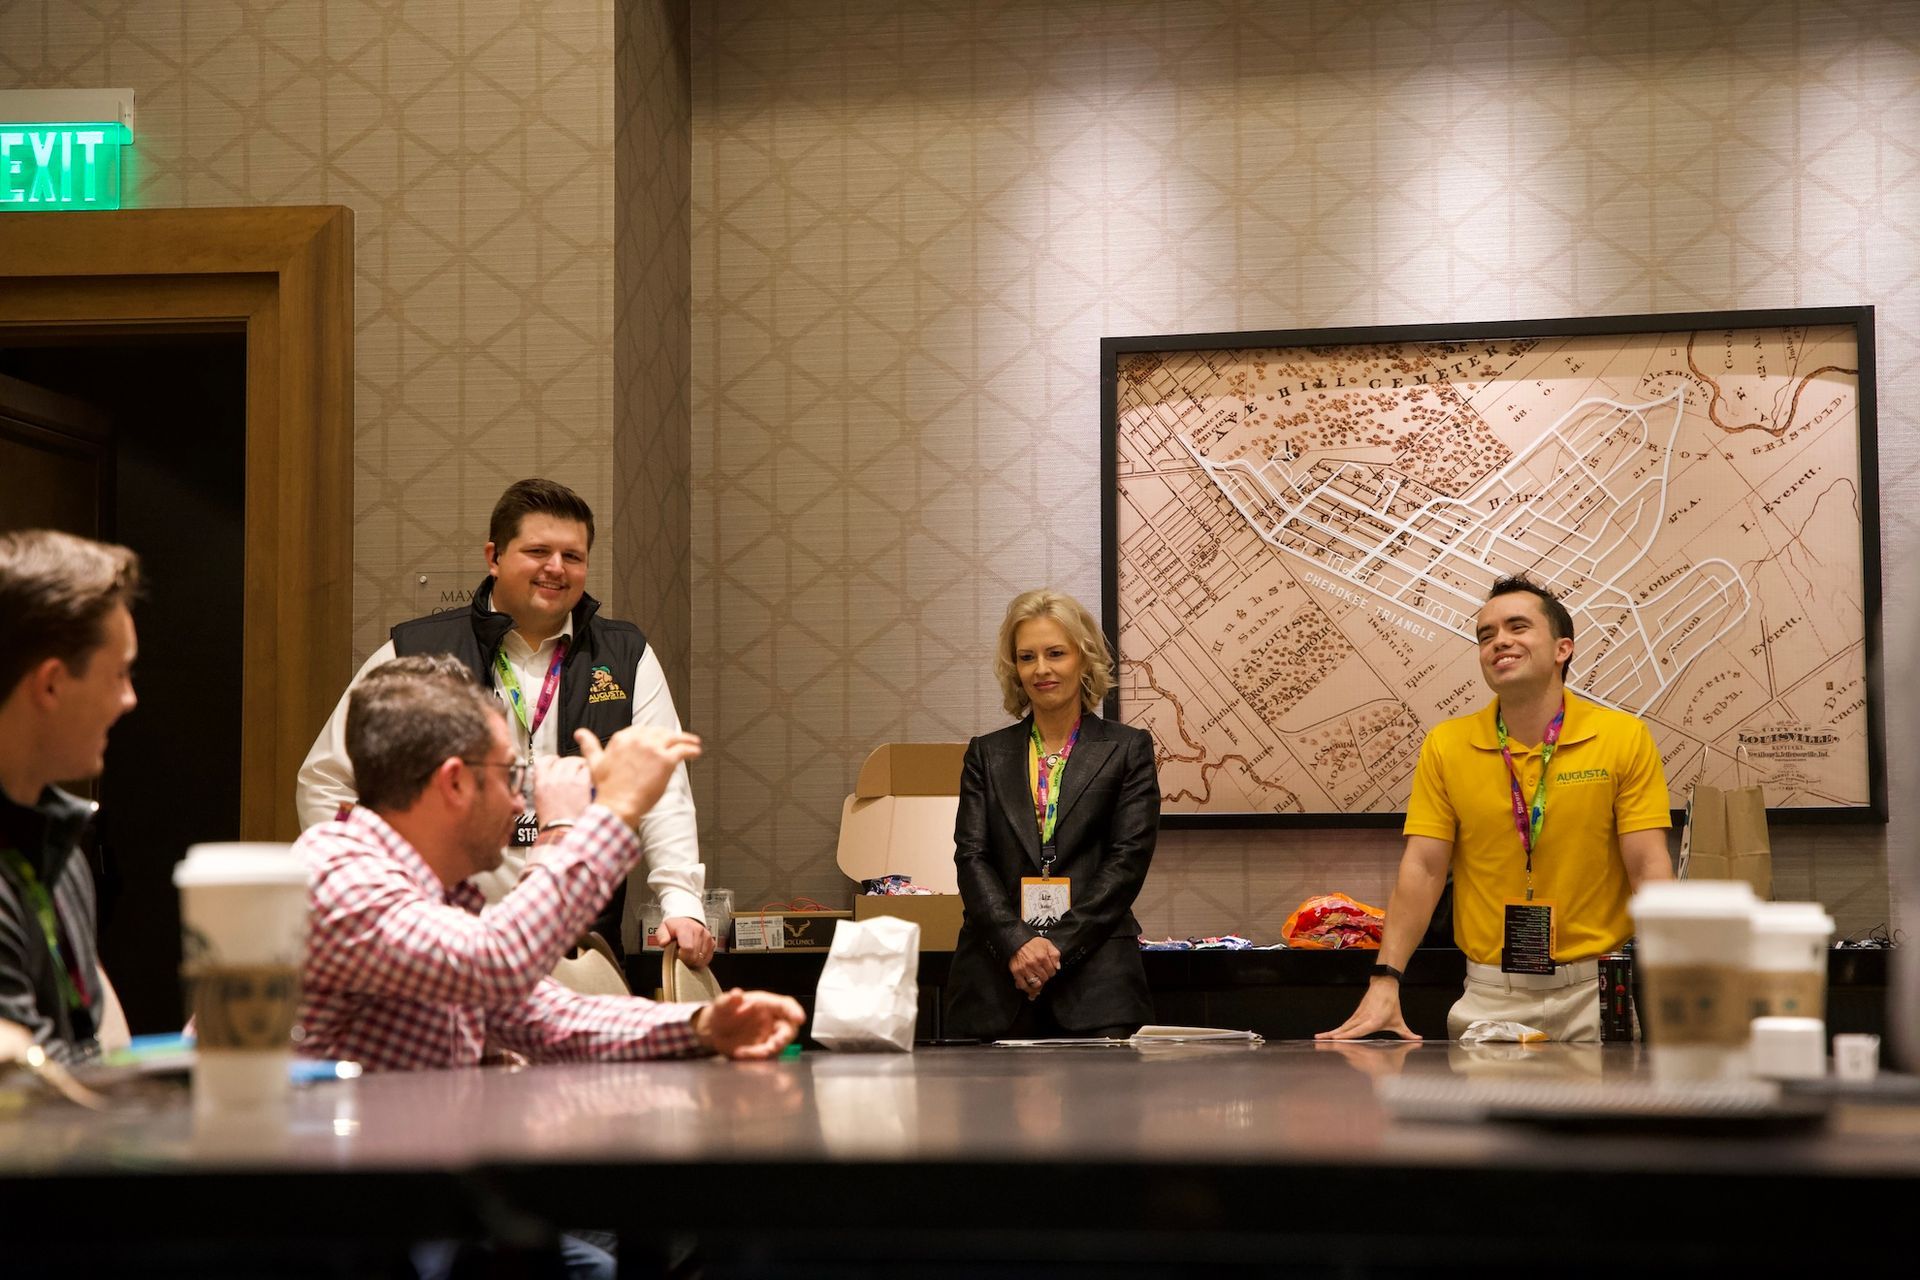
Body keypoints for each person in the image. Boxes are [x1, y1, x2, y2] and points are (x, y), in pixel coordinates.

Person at [294, 655, 803, 1070]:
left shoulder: (440, 896)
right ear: (454, 782)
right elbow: (497, 962)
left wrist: (703, 1027)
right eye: (510, 776)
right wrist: (594, 819)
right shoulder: (335, 871)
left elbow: (550, 1020)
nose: (521, 803)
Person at [296, 478, 714, 964]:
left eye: (573, 556)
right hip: (444, 936)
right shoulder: (416, 652)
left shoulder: (625, 656)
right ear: (494, 557)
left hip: (579, 942)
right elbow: (327, 780)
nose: (556, 568)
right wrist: (378, 894)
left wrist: (682, 902)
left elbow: (662, 786)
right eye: (538, 551)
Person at [1319, 575, 1674, 1043]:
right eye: (1486, 635)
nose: (1498, 641)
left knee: (1604, 1117)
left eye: (1517, 627)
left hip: (1596, 992)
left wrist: (1679, 980)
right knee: (1489, 1118)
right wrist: (1385, 979)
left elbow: (1648, 865)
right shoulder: (1447, 745)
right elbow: (1424, 868)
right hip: (1490, 995)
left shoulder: (1622, 737)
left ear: (1562, 648)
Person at [944, 588, 1159, 1041]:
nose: (1041, 669)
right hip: (994, 982)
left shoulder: (1127, 749)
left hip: (1097, 983)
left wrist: (1053, 947)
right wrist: (1017, 943)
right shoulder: (987, 754)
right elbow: (972, 857)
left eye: (1055, 653)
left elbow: (1127, 860)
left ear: (1083, 660)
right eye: (1027, 657)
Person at [0, 529, 138, 1062]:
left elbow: (91, 1049)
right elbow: (29, 1114)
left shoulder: (60, 846)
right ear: (52, 684)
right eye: (120, 673)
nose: (130, 699)